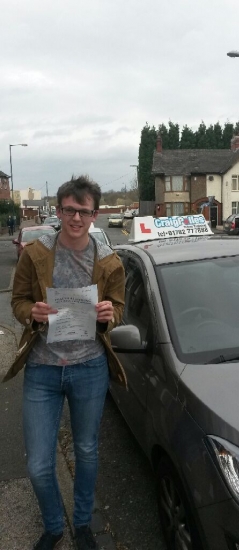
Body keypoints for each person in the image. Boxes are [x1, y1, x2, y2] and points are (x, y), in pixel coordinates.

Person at [3, 175, 126, 550]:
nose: (75, 218)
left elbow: (118, 308)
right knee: (39, 464)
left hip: (89, 367)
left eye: (83, 211)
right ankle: (55, 525)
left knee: (87, 451)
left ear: (95, 215)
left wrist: (109, 314)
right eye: (69, 210)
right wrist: (32, 314)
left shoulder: (108, 261)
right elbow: (18, 300)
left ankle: (84, 524)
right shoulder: (37, 254)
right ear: (59, 211)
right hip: (42, 369)